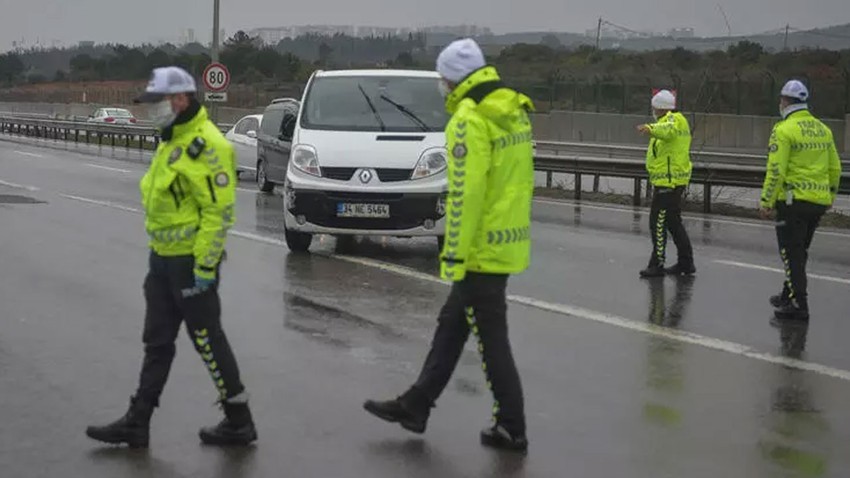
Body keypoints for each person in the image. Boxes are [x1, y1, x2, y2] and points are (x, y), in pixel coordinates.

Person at [363, 38, 534, 453]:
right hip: (505, 240)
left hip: (480, 248)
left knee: (491, 341)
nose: (441, 85)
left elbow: (465, 194)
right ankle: (416, 404)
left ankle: (511, 426)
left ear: (454, 78)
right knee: (451, 325)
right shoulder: (511, 111)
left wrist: (453, 252)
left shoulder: (469, 120)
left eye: (443, 77)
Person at [86, 66, 257, 448]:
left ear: (180, 99)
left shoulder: (209, 145)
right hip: (161, 260)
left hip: (189, 265)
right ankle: (138, 420)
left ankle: (239, 419)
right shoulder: (171, 138)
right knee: (157, 342)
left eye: (156, 102)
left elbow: (219, 213)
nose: (151, 110)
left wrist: (205, 267)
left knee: (208, 342)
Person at [759, 79, 842, 322]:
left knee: (791, 253)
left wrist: (766, 201)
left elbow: (776, 169)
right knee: (799, 251)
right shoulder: (823, 129)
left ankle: (799, 304)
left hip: (793, 201)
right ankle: (788, 293)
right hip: (817, 201)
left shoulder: (783, 130)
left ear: (785, 101)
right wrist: (830, 195)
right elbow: (834, 167)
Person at [636, 90, 696, 278]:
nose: (653, 110)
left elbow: (667, 132)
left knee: (658, 223)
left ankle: (657, 263)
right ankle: (686, 263)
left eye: (654, 106)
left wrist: (650, 129)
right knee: (673, 222)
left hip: (668, 182)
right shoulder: (674, 120)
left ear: (661, 107)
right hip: (670, 180)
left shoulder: (673, 120)